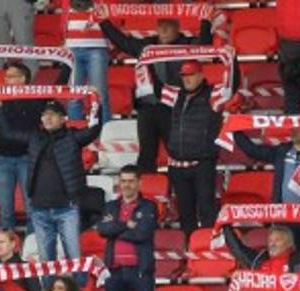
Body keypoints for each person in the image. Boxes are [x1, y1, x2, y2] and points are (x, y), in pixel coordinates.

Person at [95, 13, 213, 172]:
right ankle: (147, 192)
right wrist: (103, 21)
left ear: (177, 27)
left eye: (167, 26)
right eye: (160, 26)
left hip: (173, 107)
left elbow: (204, 45)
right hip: (147, 108)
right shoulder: (147, 45)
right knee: (146, 156)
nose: (163, 30)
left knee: (177, 153)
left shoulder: (186, 44)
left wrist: (206, 21)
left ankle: (178, 192)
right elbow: (123, 42)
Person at [0, 60, 71, 229]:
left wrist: (67, 62)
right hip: (4, 159)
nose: (6, 80)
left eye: (11, 76)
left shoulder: (37, 96)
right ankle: (7, 251)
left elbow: (59, 85)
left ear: (23, 79)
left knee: (31, 207)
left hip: (28, 159)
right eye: (6, 76)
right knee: (5, 210)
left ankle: (32, 248)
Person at [0, 101, 102, 263]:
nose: (47, 118)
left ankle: (78, 288)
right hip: (39, 209)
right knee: (46, 263)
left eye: (52, 114)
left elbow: (94, 129)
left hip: (67, 209)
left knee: (74, 260)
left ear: (63, 119)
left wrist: (97, 104)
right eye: (45, 115)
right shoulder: (35, 137)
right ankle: (48, 289)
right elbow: (7, 133)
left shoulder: (72, 137)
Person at [96, 165, 160, 291]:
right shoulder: (110, 206)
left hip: (140, 271)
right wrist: (125, 225)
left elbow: (142, 233)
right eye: (123, 181)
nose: (127, 185)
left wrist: (114, 230)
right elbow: (102, 230)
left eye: (131, 181)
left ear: (139, 183)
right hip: (114, 271)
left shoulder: (149, 206)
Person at [164, 61, 221, 235]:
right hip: (178, 164)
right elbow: (153, 85)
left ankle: (209, 249)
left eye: (191, 75)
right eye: (184, 76)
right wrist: (144, 58)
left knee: (206, 210)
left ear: (201, 75)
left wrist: (230, 58)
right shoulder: (176, 95)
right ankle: (191, 250)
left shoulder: (214, 94)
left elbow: (232, 84)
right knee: (185, 212)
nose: (187, 79)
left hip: (202, 163)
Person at [59, 0, 110, 124]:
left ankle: (104, 132)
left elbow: (111, 17)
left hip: (97, 47)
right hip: (72, 49)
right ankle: (75, 132)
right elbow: (64, 20)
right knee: (73, 95)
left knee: (99, 94)